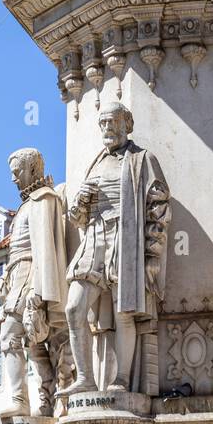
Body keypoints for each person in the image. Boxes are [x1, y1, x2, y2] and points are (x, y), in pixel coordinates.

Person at [63, 104, 170, 393]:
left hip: (127, 237)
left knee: (125, 311)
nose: (106, 128)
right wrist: (78, 205)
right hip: (95, 237)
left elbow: (158, 205)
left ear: (127, 124)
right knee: (74, 308)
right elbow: (78, 219)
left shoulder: (142, 159)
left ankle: (121, 378)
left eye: (112, 122)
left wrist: (152, 252)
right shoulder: (96, 162)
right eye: (102, 123)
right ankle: (85, 378)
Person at [0, 147, 69, 419]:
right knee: (36, 344)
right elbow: (19, 250)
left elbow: (43, 248)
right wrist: (5, 276)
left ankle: (21, 400)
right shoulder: (28, 204)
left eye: (17, 172)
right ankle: (45, 403)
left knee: (11, 336)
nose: (14, 178)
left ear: (33, 170)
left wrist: (39, 290)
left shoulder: (43, 199)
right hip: (18, 276)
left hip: (30, 278)